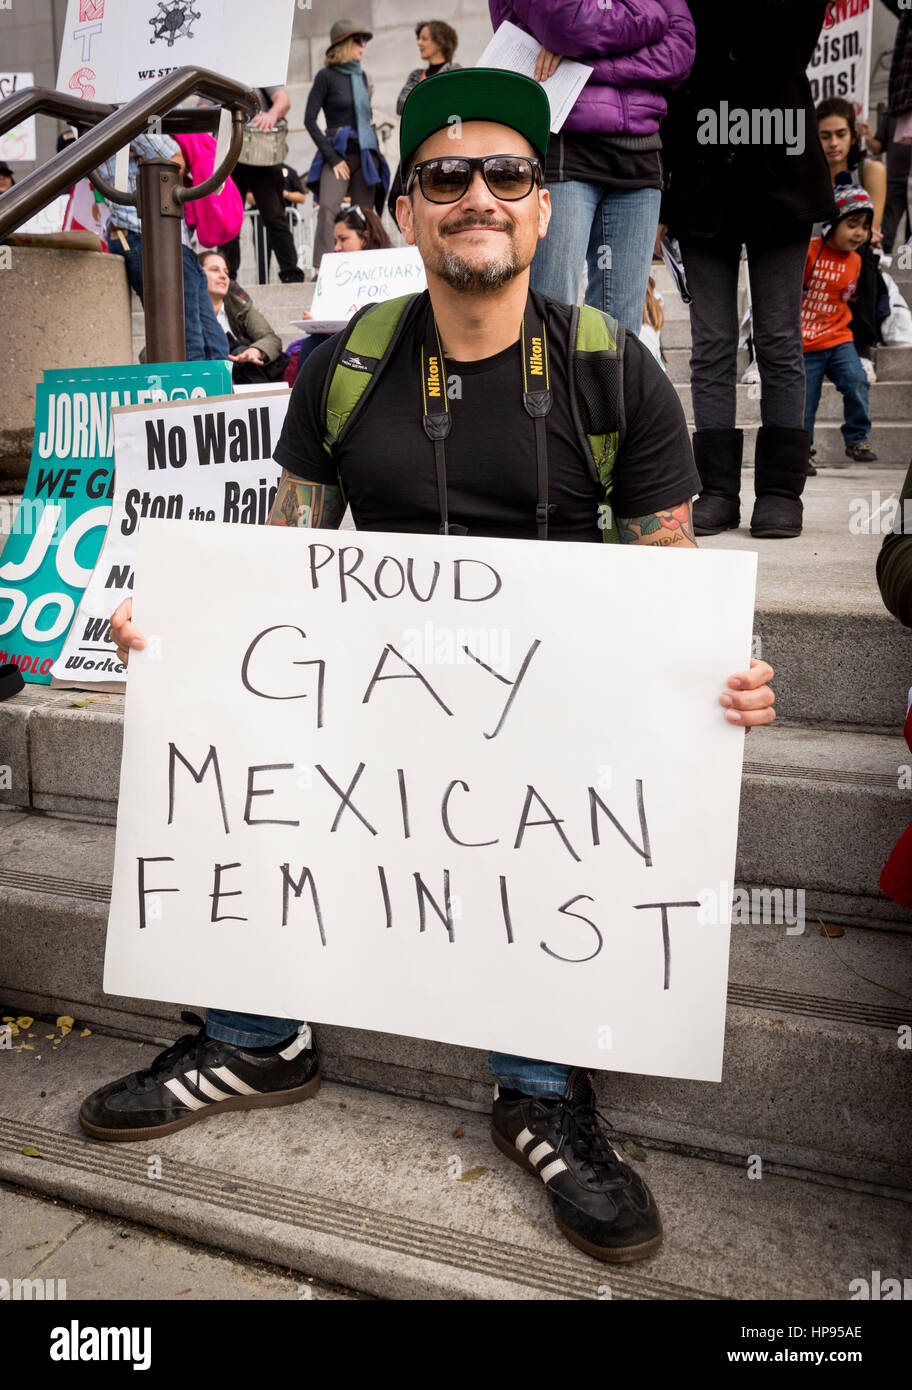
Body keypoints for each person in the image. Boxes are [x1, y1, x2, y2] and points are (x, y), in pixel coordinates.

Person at [99, 69, 777, 1266]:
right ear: (409, 207)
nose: (477, 196)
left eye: (505, 173)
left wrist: (722, 676)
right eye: (446, 175)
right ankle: (260, 1033)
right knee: (240, 726)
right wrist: (179, 638)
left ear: (543, 202)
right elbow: (280, 569)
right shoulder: (343, 367)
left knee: (596, 771)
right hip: (387, 705)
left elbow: (671, 597)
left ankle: (540, 1083)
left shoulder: (617, 372)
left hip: (552, 731)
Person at [660, 0, 837, 541]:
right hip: (701, 180)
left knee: (779, 336)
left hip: (780, 173)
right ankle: (716, 490)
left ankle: (782, 492)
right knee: (713, 342)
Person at [489, 0, 696, 336]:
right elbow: (563, 23)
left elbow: (679, 52)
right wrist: (647, 21)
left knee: (621, 331)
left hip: (640, 155)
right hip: (563, 147)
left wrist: (579, 59)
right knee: (551, 319)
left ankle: (607, 393)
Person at [97, 133, 230, 362]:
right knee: (187, 343)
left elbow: (171, 161)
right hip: (145, 234)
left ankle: (211, 394)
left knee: (214, 344)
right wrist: (176, 156)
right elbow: (173, 160)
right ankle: (191, 396)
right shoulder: (121, 113)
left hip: (171, 239)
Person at [802, 186, 878, 466]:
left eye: (865, 227)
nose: (860, 233)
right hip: (806, 343)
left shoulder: (857, 260)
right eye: (852, 225)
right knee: (806, 401)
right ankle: (803, 449)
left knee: (857, 381)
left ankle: (857, 439)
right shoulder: (808, 252)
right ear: (832, 224)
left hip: (838, 338)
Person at [304, 19, 387, 270]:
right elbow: (309, 120)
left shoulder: (361, 76)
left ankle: (366, 265)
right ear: (342, 44)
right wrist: (333, 158)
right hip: (337, 152)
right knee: (328, 207)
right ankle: (322, 267)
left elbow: (365, 116)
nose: (363, 45)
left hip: (364, 152)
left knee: (363, 212)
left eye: (363, 40)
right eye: (358, 40)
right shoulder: (325, 77)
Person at [817, 97, 886, 383]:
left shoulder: (870, 171)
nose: (834, 143)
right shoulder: (808, 177)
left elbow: (868, 232)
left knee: (862, 257)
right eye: (825, 136)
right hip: (814, 260)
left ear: (853, 136)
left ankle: (862, 350)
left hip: (856, 259)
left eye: (840, 134)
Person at [283, 204, 391, 385]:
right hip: (340, 339)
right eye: (335, 241)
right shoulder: (335, 272)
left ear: (365, 238)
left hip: (379, 340)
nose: (337, 247)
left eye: (343, 239)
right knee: (312, 344)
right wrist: (317, 321)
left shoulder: (393, 267)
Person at [219, 86, 304, 285]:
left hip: (262, 150)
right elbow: (204, 105)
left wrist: (271, 115)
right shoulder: (220, 69)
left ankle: (290, 272)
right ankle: (228, 275)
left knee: (275, 216)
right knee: (228, 219)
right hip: (232, 152)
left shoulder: (260, 69)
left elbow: (283, 99)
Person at [198, 251, 289, 384]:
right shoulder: (188, 312)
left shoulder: (240, 304)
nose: (223, 276)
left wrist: (256, 350)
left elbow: (270, 338)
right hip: (212, 375)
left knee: (242, 351)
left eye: (226, 272)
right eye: (214, 270)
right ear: (197, 275)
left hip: (249, 370)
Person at [861, 112, 911, 254]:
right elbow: (877, 147)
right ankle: (880, 263)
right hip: (894, 181)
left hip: (910, 182)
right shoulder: (893, 113)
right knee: (887, 229)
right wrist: (868, 136)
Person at [396, 21, 461, 113]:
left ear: (439, 43)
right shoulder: (416, 75)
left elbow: (456, 104)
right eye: (419, 39)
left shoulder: (455, 72)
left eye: (424, 39)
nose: (419, 43)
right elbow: (401, 107)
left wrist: (418, 99)